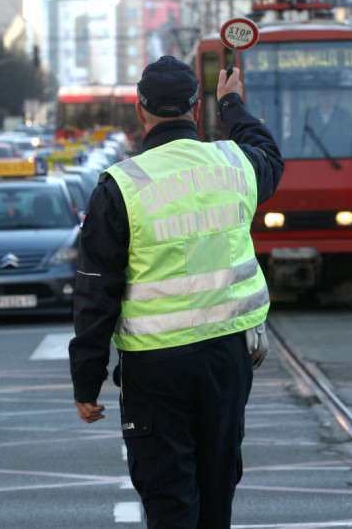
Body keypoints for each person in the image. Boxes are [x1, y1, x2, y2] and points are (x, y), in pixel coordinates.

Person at [69, 56, 284, 528]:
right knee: (215, 499)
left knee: (170, 505)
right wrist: (232, 103)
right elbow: (268, 152)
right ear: (196, 110)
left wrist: (87, 380)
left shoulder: (120, 187)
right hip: (227, 360)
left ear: (140, 111)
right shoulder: (234, 163)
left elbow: (94, 293)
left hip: (157, 369)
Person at [303, 88, 352, 157]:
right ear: (319, 97)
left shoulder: (344, 114)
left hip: (339, 157)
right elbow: (305, 137)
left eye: (329, 95)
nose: (326, 98)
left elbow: (348, 137)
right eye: (323, 95)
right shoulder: (310, 114)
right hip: (314, 157)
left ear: (334, 97)